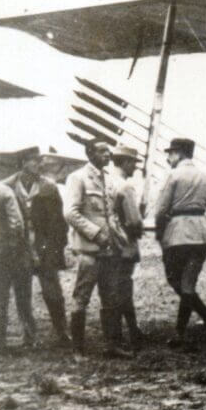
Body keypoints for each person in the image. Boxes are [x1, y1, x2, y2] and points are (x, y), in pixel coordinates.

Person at [153, 138, 206, 346]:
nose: (168, 158)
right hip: (200, 237)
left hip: (176, 237)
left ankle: (180, 333)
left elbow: (160, 211)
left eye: (170, 154)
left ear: (179, 154)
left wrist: (161, 232)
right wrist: (199, 218)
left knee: (175, 281)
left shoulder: (173, 176)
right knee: (188, 283)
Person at [64, 140, 131, 357]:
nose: (108, 154)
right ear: (90, 153)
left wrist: (117, 237)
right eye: (102, 151)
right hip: (89, 249)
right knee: (81, 298)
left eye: (108, 151)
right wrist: (95, 234)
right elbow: (71, 213)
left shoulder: (108, 179)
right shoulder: (78, 178)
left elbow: (111, 214)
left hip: (109, 249)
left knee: (110, 298)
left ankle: (112, 346)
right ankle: (78, 350)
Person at [3, 148, 70, 347]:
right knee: (22, 291)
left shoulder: (49, 186)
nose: (39, 164)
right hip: (19, 246)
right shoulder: (8, 187)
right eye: (33, 161)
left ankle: (62, 331)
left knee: (53, 291)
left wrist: (57, 247)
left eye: (39, 160)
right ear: (23, 162)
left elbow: (59, 221)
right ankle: (29, 335)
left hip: (45, 245)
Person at [0, 156, 25, 353]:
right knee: (1, 298)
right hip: (0, 253)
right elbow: (16, 224)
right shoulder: (3, 190)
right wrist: (12, 246)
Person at [110, 146, 145, 348]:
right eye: (133, 163)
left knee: (112, 288)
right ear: (124, 162)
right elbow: (133, 221)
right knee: (124, 288)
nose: (135, 167)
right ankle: (132, 331)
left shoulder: (106, 182)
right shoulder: (125, 187)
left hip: (107, 243)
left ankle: (119, 332)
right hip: (124, 244)